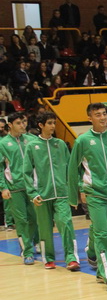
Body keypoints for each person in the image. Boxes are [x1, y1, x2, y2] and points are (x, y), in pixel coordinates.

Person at [68, 104, 107, 291]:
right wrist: (78, 191)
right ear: (90, 118)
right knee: (103, 234)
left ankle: (100, 267)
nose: (103, 118)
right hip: (95, 194)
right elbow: (73, 169)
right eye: (98, 115)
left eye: (104, 114)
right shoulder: (83, 141)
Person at [23, 112, 80, 271]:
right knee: (45, 229)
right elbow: (26, 172)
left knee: (66, 223)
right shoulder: (32, 146)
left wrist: (73, 192)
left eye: (54, 123)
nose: (53, 126)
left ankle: (71, 258)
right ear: (41, 125)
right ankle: (48, 258)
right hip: (42, 196)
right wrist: (33, 193)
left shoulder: (60, 144)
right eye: (49, 123)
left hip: (62, 194)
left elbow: (70, 169)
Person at [0, 112, 37, 264]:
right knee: (21, 221)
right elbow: (0, 168)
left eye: (24, 122)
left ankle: (33, 242)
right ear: (10, 125)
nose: (22, 126)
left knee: (34, 218)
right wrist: (3, 187)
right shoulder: (3, 144)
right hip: (14, 187)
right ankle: (27, 251)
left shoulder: (31, 140)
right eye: (18, 123)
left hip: (32, 187)